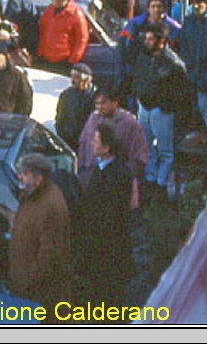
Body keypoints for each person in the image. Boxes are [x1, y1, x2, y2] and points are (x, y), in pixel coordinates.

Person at [73, 120, 134, 303]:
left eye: (96, 141)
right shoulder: (104, 169)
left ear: (106, 148)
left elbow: (111, 217)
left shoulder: (116, 175)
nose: (92, 144)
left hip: (107, 251)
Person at [8, 153, 72, 312]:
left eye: (25, 174)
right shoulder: (32, 195)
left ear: (38, 179)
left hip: (38, 295)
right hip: (25, 289)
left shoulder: (51, 205)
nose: (20, 177)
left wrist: (26, 282)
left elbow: (49, 257)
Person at [132, 21, 189, 195]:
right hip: (144, 108)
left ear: (161, 41)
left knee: (165, 151)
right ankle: (150, 180)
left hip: (161, 111)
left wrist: (164, 108)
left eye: (151, 39)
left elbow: (180, 93)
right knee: (147, 147)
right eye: (146, 38)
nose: (146, 42)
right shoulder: (144, 56)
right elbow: (138, 77)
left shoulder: (173, 64)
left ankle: (161, 184)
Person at [38, 0, 89, 67]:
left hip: (63, 60)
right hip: (46, 58)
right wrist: (40, 51)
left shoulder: (76, 14)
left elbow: (82, 39)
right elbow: (42, 30)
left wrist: (73, 60)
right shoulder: (49, 9)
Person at [55, 63, 96, 152]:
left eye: (77, 77)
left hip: (89, 145)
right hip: (69, 142)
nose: (72, 80)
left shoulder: (96, 98)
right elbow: (60, 119)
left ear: (86, 80)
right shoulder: (66, 95)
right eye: (72, 77)